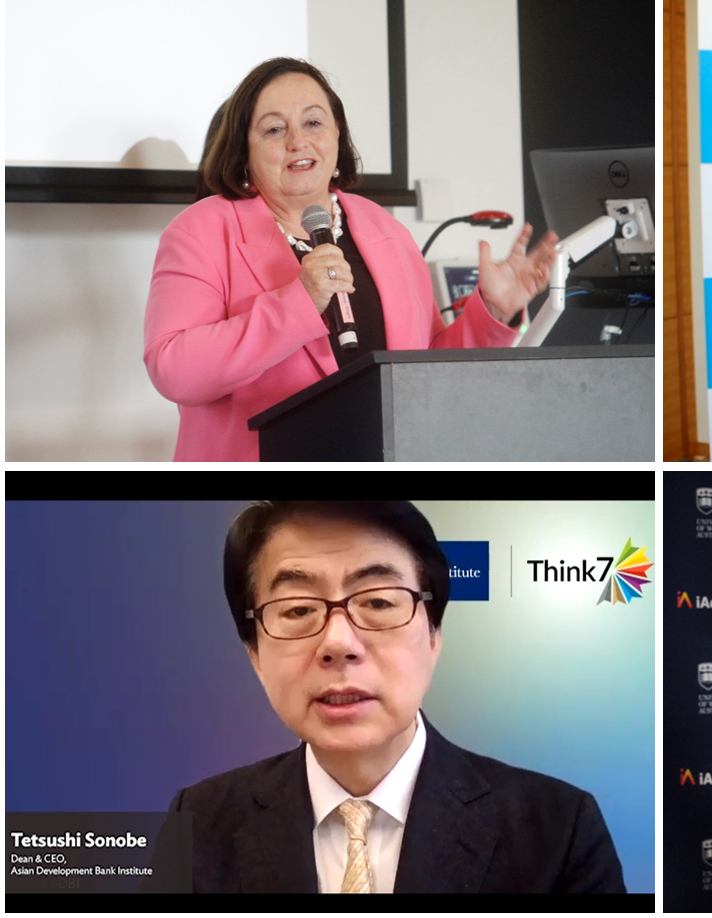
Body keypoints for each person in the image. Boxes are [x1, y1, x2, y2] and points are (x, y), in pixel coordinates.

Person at [143, 501, 624, 893]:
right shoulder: (199, 823)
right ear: (254, 652)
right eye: (297, 609)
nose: (338, 643)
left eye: (377, 602)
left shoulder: (556, 831)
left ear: (434, 635)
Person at [144, 59, 558, 461]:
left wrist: (493, 312)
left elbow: (426, 365)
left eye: (313, 122)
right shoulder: (201, 230)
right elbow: (174, 370)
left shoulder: (385, 230)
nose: (297, 141)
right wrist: (298, 304)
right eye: (274, 129)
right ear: (244, 152)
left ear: (337, 135)